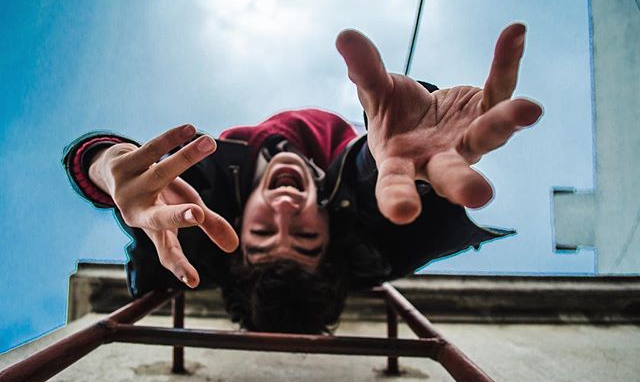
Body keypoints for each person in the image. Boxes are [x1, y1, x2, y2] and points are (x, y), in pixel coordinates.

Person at [63, 23, 542, 333]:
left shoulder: (207, 190)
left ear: (236, 221)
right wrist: (417, 151)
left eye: (263, 232)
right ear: (333, 224)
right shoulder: (368, 184)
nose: (287, 210)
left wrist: (109, 167)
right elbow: (374, 196)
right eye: (307, 235)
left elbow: (115, 177)